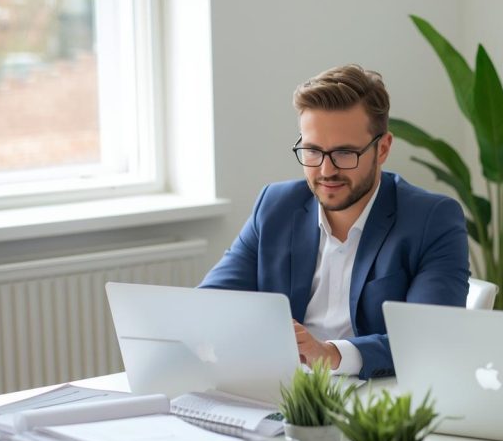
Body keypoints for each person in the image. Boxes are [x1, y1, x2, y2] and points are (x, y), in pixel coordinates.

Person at [201, 64, 469, 379]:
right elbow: (210, 305)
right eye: (313, 151)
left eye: (344, 153)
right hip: (281, 391)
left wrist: (331, 354)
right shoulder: (275, 206)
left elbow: (430, 339)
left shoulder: (432, 219)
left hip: (376, 396)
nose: (326, 171)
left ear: (382, 149)